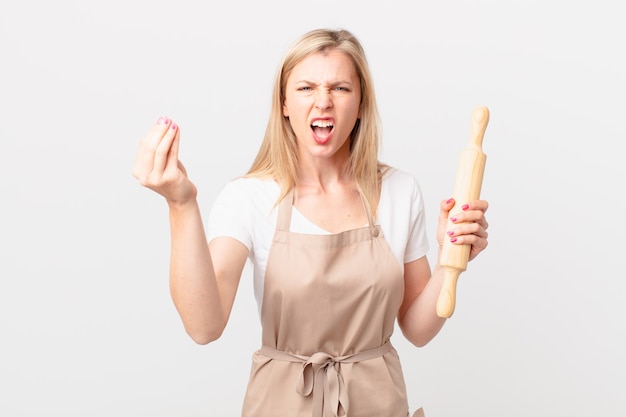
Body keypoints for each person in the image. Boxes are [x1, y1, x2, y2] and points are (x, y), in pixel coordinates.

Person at [132, 28, 489, 417]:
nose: (323, 102)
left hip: (378, 404)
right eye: (306, 88)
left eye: (340, 88)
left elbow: (418, 331)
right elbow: (205, 326)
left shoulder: (400, 191)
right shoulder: (250, 197)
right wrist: (181, 204)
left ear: (361, 103)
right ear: (284, 103)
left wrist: (449, 260)